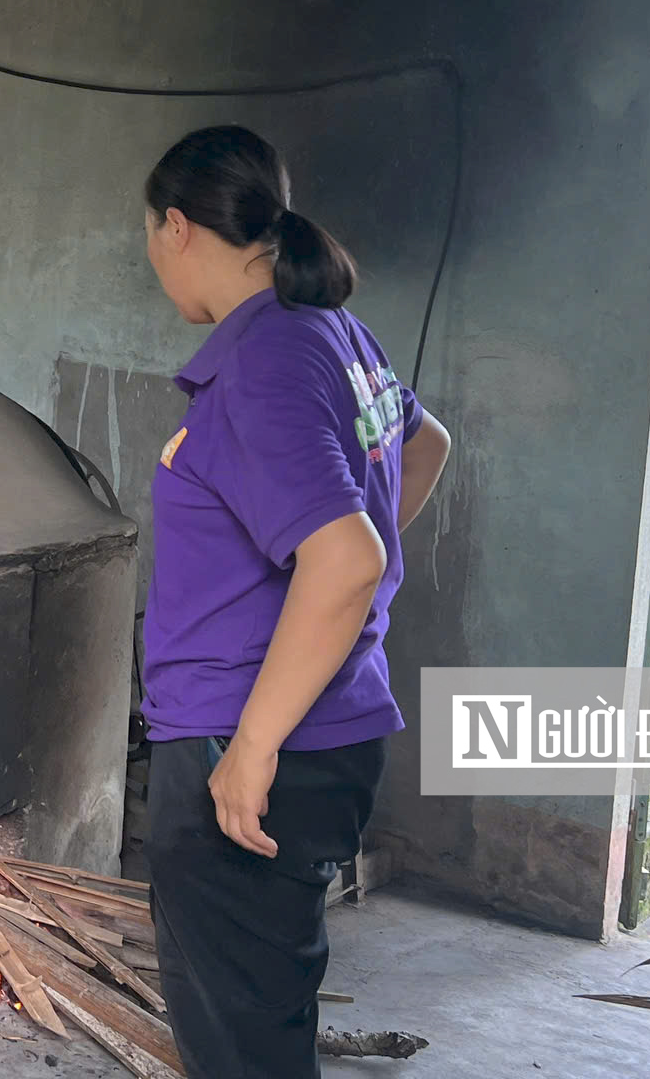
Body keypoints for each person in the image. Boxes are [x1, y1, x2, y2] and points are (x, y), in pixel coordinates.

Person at [137, 126, 452, 1078]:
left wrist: (253, 749)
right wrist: (333, 569)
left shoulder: (264, 365)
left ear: (179, 229)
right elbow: (427, 441)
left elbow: (346, 560)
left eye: (149, 236)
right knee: (264, 1009)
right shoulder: (331, 333)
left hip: (250, 739)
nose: (153, 257)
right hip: (333, 723)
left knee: (239, 1042)